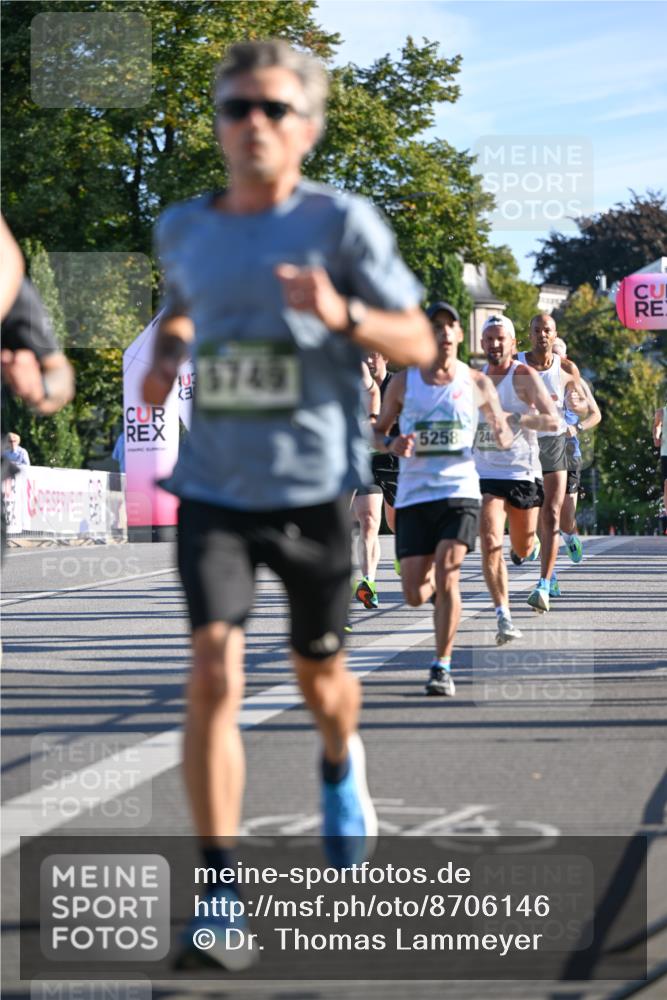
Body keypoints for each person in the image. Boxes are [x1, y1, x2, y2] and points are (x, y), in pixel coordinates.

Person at [141, 39, 435, 968]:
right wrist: (170, 351)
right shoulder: (183, 226)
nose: (253, 124)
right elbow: (186, 308)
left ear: (305, 126)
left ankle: (341, 767)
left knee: (319, 678)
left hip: (313, 490)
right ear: (219, 125)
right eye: (236, 109)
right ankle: (220, 893)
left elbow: (421, 339)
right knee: (212, 673)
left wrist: (341, 313)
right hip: (215, 490)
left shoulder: (340, 224)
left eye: (273, 109)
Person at [374, 302, 511, 696]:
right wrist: (392, 442)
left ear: (459, 336)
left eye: (451, 327)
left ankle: (442, 665)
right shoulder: (403, 383)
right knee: (415, 593)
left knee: (449, 571)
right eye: (436, 327)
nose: (445, 334)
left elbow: (501, 430)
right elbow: (376, 431)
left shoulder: (475, 382)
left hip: (460, 492)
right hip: (415, 496)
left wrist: (502, 434)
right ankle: (438, 601)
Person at [474, 316, 559, 644]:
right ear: (482, 344)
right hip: (485, 473)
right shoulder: (476, 378)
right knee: (490, 539)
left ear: (512, 344)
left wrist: (517, 419)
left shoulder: (524, 376)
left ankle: (528, 546)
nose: (494, 344)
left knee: (521, 546)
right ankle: (503, 614)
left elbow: (552, 422)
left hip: (522, 472)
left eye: (500, 339)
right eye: (489, 339)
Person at [517, 315, 587, 613]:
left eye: (547, 330)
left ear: (554, 334)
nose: (542, 335)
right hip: (521, 446)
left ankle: (545, 583)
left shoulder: (567, 368)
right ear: (529, 334)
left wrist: (576, 403)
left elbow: (583, 404)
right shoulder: (515, 364)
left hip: (554, 443)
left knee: (552, 512)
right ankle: (529, 549)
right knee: (527, 514)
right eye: (537, 330)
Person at [352, 351, 400, 609]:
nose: (370, 360)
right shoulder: (356, 379)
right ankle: (368, 582)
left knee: (394, 523)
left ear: (385, 358)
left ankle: (402, 551)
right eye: (366, 355)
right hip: (364, 462)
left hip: (392, 461)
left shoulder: (396, 384)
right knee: (369, 521)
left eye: (375, 355)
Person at [552, 337, 601, 565]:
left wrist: (577, 426)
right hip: (543, 449)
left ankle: (570, 537)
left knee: (566, 513)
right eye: (553, 355)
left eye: (561, 357)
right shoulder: (534, 378)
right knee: (547, 509)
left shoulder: (576, 382)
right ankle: (548, 574)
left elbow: (596, 414)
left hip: (570, 450)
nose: (557, 361)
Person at [350, 362, 383, 609]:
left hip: (363, 455)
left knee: (370, 520)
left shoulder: (351, 359)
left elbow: (372, 391)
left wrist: (371, 419)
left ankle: (368, 583)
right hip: (329, 458)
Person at [653, 402, 667, 534]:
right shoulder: (661, 412)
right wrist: (656, 437)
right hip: (666, 453)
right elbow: (657, 426)